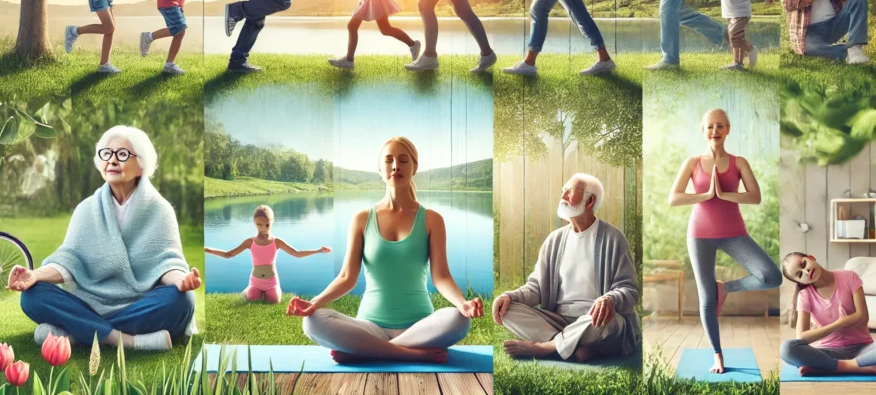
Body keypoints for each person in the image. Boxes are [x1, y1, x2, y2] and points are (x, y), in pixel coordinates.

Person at [286, 137, 481, 363]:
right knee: (312, 321)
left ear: (414, 167)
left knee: (460, 319)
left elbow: (441, 277)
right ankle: (409, 354)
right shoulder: (361, 219)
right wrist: (314, 303)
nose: (396, 166)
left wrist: (462, 303)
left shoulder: (432, 220)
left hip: (420, 327)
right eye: (389, 160)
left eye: (403, 160)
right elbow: (347, 277)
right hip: (369, 327)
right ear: (380, 168)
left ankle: (364, 351)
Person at [8, 126, 200, 351]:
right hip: (89, 304)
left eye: (122, 154)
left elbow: (166, 263)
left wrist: (181, 280)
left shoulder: (160, 210)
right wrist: (34, 275)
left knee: (181, 300)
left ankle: (79, 333)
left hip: (138, 305)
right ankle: (124, 340)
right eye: (107, 154)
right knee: (32, 295)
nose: (112, 160)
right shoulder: (86, 209)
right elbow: (70, 261)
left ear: (141, 167)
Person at [668, 108, 781, 374]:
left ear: (727, 130)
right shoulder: (692, 162)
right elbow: (674, 198)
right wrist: (706, 195)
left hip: (734, 233)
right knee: (707, 298)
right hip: (699, 235)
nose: (715, 131)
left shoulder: (738, 162)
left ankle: (726, 288)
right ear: (703, 130)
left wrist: (724, 194)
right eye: (710, 126)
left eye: (720, 126)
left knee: (772, 276)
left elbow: (755, 196)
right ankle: (717, 355)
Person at [493, 173, 639, 362]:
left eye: (570, 191)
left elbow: (629, 290)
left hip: (594, 321)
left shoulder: (614, 238)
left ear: (590, 201)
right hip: (557, 321)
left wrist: (611, 299)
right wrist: (509, 297)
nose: (563, 197)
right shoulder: (554, 240)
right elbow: (535, 288)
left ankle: (546, 347)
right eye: (563, 191)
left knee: (609, 320)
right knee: (507, 311)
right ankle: (579, 346)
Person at [205, 205, 330, 303]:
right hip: (255, 282)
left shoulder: (277, 241)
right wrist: (208, 250)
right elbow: (228, 254)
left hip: (271, 282)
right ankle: (250, 289)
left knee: (274, 301)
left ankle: (275, 290)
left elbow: (297, 253)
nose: (263, 228)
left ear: (272, 222)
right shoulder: (250, 242)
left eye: (267, 225)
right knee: (252, 299)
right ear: (254, 222)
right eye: (259, 224)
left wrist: (318, 250)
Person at [780, 252, 876, 376]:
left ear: (811, 257)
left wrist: (844, 321)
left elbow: (863, 318)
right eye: (800, 274)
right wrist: (839, 323)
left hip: (863, 349)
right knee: (786, 348)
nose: (806, 271)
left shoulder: (849, 277)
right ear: (800, 282)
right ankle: (857, 366)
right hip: (827, 352)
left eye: (803, 264)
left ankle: (830, 367)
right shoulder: (805, 295)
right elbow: (802, 337)